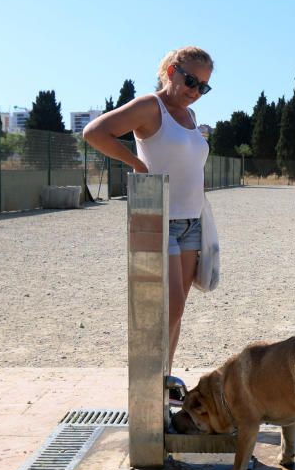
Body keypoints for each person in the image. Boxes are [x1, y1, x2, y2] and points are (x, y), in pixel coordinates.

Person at [82, 46, 213, 383]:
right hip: (160, 219)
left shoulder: (190, 118)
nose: (195, 91)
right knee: (166, 310)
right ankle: (150, 385)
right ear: (171, 71)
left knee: (177, 312)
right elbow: (94, 132)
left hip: (191, 223)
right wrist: (137, 165)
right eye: (191, 81)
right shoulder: (150, 107)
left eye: (203, 87)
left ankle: (163, 382)